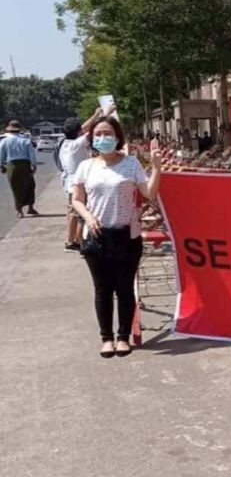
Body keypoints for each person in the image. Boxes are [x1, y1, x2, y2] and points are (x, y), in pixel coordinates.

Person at [71, 115, 162, 359]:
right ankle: (106, 338)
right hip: (97, 237)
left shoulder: (131, 164)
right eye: (98, 134)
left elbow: (149, 192)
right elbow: (77, 200)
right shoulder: (86, 167)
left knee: (124, 289)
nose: (103, 138)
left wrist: (156, 166)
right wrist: (88, 218)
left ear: (117, 136)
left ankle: (123, 337)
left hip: (127, 236)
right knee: (102, 290)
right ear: (91, 139)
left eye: (107, 134)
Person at [58, 106, 108, 251]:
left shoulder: (64, 142)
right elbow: (91, 131)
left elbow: (84, 128)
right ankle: (80, 243)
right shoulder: (77, 144)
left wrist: (95, 114)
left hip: (69, 183)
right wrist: (105, 114)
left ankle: (70, 240)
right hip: (78, 184)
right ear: (79, 133)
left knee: (73, 213)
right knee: (80, 214)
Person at [0, 119, 39, 218]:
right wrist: (33, 165)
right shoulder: (26, 140)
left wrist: (1, 166)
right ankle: (30, 207)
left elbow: (1, 155)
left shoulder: (4, 141)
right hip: (25, 165)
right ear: (19, 129)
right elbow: (31, 154)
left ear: (9, 130)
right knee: (30, 186)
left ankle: (19, 210)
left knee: (16, 188)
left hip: (11, 165)